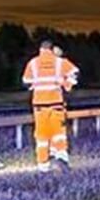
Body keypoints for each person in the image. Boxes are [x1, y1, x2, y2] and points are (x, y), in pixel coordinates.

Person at [22, 41, 79, 172]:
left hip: (39, 105)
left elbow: (26, 82)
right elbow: (75, 72)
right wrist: (67, 84)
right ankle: (61, 158)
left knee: (41, 135)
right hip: (56, 103)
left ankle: (43, 166)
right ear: (52, 49)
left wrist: (35, 86)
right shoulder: (59, 62)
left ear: (40, 49)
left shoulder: (33, 63)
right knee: (58, 132)